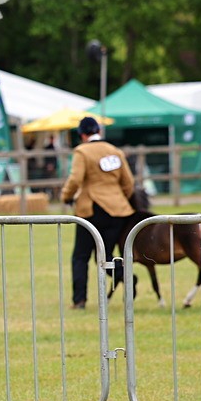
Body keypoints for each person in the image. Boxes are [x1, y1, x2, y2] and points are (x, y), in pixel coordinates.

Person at [60, 117, 135, 310]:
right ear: (99, 131)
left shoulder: (82, 151)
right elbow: (128, 183)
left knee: (80, 256)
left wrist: (66, 196)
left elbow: (75, 179)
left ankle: (79, 300)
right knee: (106, 255)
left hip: (91, 210)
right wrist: (117, 198)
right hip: (118, 210)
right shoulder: (115, 151)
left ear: (82, 135)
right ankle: (125, 275)